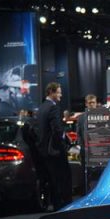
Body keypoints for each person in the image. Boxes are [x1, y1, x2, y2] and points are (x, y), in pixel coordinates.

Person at [36, 82, 73, 210]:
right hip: (55, 151)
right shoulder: (53, 107)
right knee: (62, 179)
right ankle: (64, 207)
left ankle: (56, 205)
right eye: (59, 92)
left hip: (44, 151)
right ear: (51, 92)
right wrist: (64, 142)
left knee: (52, 180)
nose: (61, 95)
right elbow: (57, 129)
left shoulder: (41, 107)